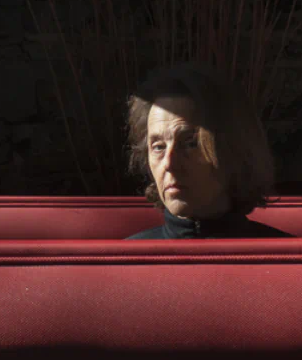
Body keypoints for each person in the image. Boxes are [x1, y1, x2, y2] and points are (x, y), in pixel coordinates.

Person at [124, 61, 291, 239]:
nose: (169, 164)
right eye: (158, 147)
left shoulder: (288, 254)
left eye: (191, 144)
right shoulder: (127, 254)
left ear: (236, 151)